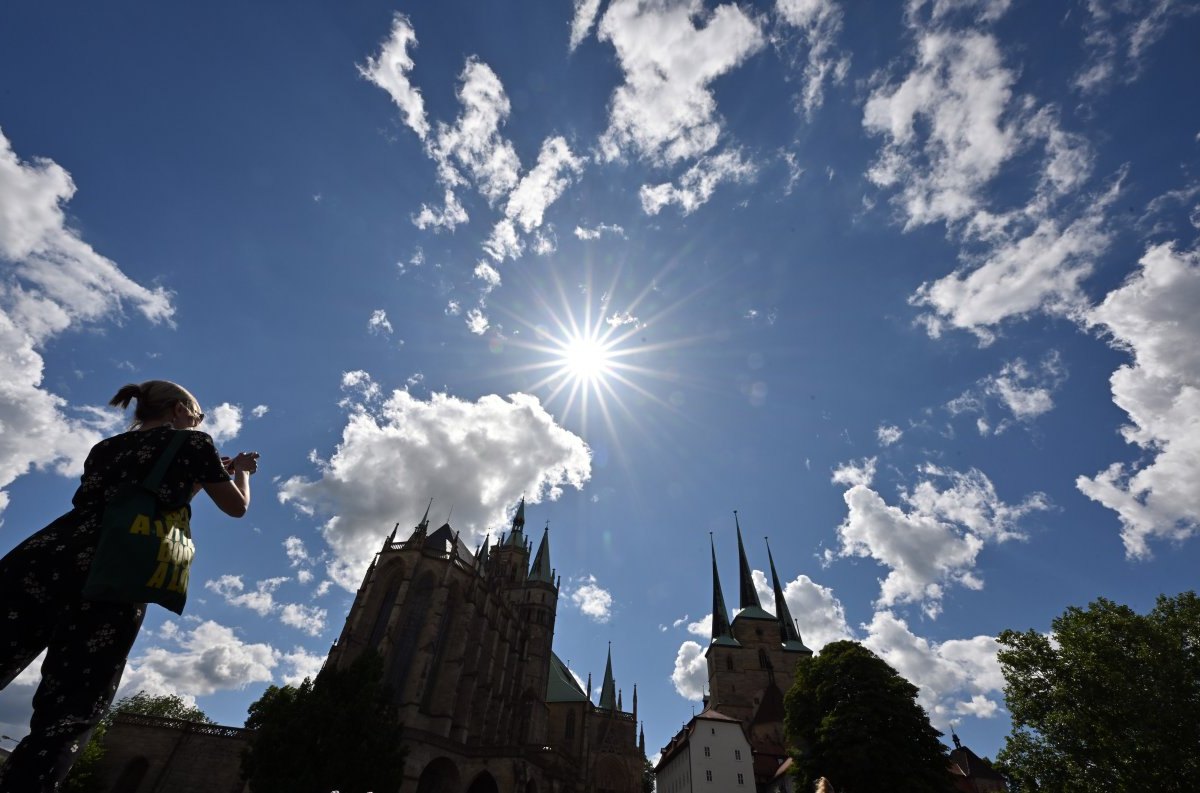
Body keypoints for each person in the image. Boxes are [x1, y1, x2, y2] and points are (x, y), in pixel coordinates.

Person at [0, 380, 259, 792]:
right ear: (177, 411)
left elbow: (151, 493)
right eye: (197, 414)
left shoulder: (105, 448)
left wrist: (200, 474)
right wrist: (241, 473)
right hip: (114, 572)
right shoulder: (194, 443)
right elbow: (236, 508)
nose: (199, 421)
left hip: (44, 555)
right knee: (69, 711)